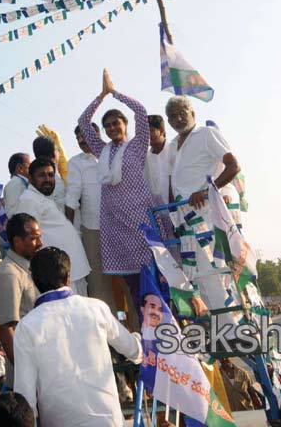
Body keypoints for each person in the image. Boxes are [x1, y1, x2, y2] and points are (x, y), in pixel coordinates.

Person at [13, 246, 143, 426]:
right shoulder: (96, 308)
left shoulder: (26, 327)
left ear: (34, 280)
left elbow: (25, 398)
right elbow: (134, 350)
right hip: (109, 421)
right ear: (68, 277)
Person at [78, 69, 169, 303]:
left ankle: (171, 330)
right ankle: (147, 335)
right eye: (107, 125)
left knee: (156, 280)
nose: (111, 128)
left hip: (140, 223)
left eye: (115, 123)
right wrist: (100, 96)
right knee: (134, 287)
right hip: (115, 226)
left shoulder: (137, 145)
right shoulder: (102, 150)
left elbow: (140, 110)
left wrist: (114, 93)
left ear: (125, 124)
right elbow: (83, 123)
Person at [164, 95, 246, 328]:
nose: (179, 119)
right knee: (200, 276)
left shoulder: (207, 135)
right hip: (185, 220)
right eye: (173, 116)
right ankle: (223, 331)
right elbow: (174, 183)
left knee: (218, 272)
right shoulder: (173, 146)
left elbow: (233, 166)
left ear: (193, 113)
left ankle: (236, 328)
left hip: (207, 216)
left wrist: (207, 190)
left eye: (183, 113)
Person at [15, 158, 91, 295]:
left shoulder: (43, 198)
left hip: (73, 272)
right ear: (31, 179)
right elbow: (29, 239)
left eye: (50, 175)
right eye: (42, 175)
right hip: (58, 276)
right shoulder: (28, 199)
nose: (47, 179)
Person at [64, 122, 116, 310]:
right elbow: (72, 197)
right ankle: (107, 333)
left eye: (85, 135)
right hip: (92, 228)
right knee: (98, 284)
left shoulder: (113, 153)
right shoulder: (76, 162)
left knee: (128, 278)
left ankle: (137, 329)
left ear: (97, 134)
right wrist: (68, 229)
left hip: (119, 224)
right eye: (77, 137)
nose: (81, 140)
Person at [0, 212, 41, 385]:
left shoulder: (28, 268)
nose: (40, 244)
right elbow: (5, 328)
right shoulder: (9, 274)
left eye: (39, 238)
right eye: (34, 239)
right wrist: (26, 371)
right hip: (27, 377)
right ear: (17, 241)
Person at [32, 135, 67, 212]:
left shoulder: (35, 177)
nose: (59, 152)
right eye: (57, 149)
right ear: (52, 154)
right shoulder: (52, 178)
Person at [144, 115, 171, 206]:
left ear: (162, 130)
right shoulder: (145, 159)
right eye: (143, 132)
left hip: (182, 208)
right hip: (158, 214)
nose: (146, 135)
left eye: (150, 131)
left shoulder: (175, 150)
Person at [3, 153, 31, 218]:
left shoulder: (23, 183)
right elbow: (15, 212)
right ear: (20, 168)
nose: (33, 169)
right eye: (30, 166)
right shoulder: (14, 184)